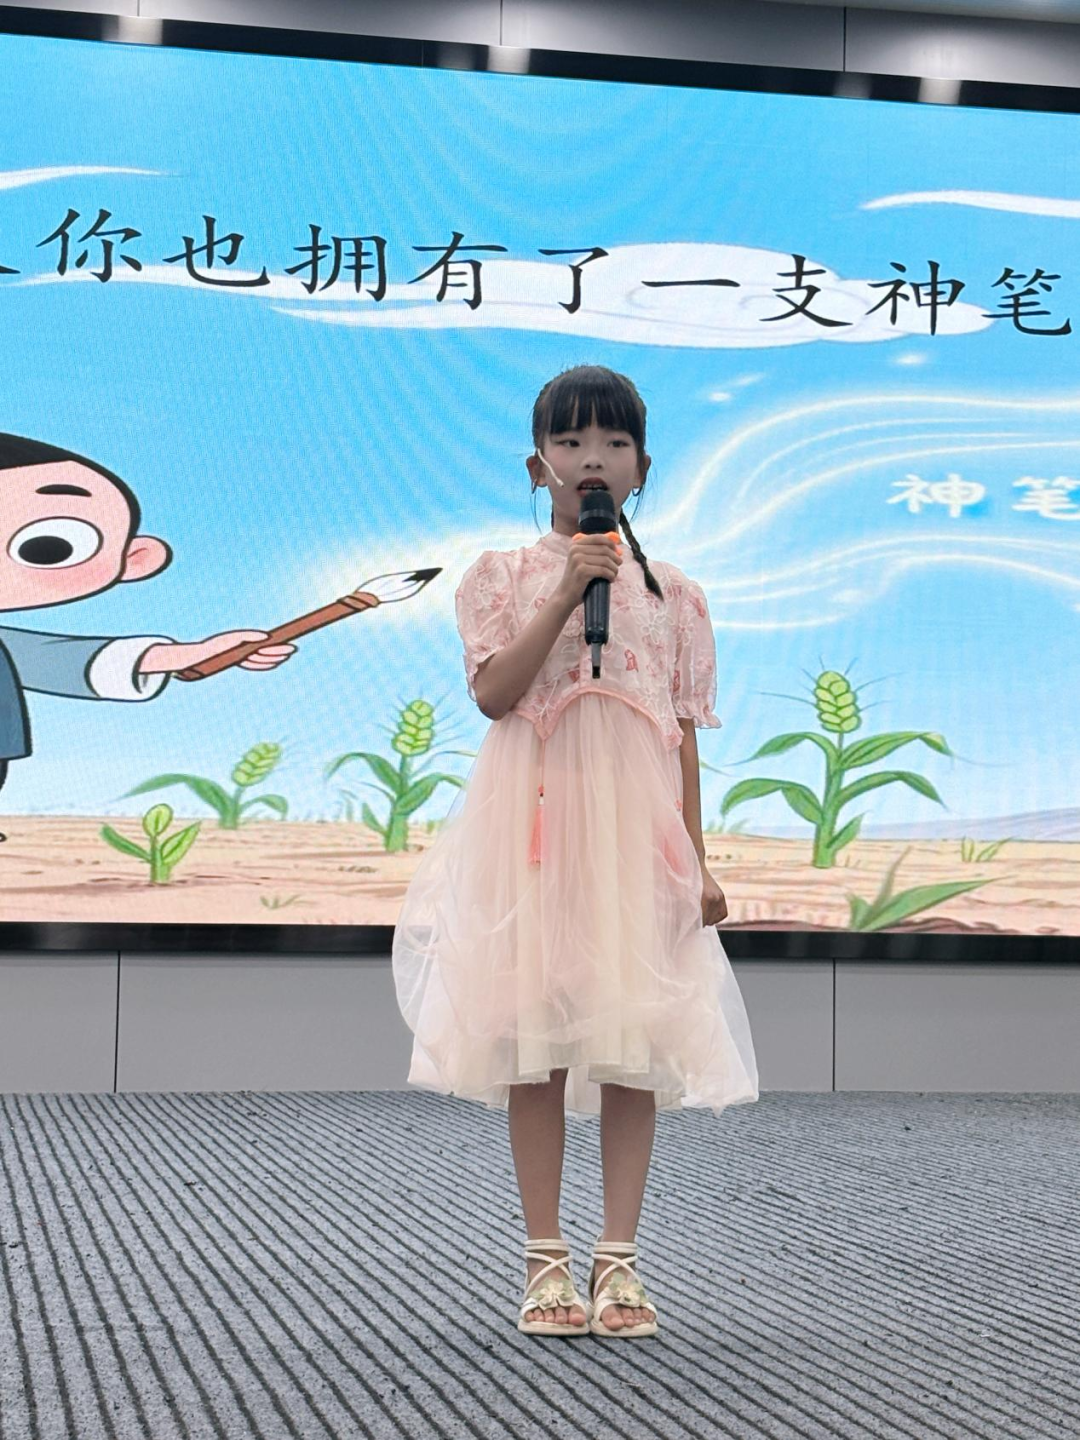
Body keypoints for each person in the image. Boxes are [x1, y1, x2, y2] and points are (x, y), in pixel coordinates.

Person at [392, 364, 758, 1341]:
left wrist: (697, 858)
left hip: (637, 837)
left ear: (642, 468)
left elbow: (682, 737)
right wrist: (564, 592)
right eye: (570, 441)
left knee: (637, 1037)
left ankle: (620, 1255)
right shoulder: (501, 576)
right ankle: (544, 1255)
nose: (592, 457)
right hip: (537, 832)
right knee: (537, 1040)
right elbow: (494, 695)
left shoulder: (677, 596)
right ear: (537, 465)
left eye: (613, 442)